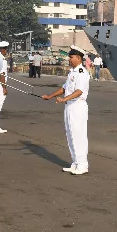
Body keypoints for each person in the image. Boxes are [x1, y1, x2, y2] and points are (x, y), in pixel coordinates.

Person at [42, 47, 90, 175]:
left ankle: (83, 164)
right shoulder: (72, 72)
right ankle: (75, 163)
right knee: (70, 135)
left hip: (77, 106)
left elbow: (79, 91)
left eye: (71, 57)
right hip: (69, 106)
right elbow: (64, 88)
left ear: (78, 58)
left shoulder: (82, 72)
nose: (69, 59)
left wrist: (64, 99)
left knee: (78, 135)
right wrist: (50, 96)